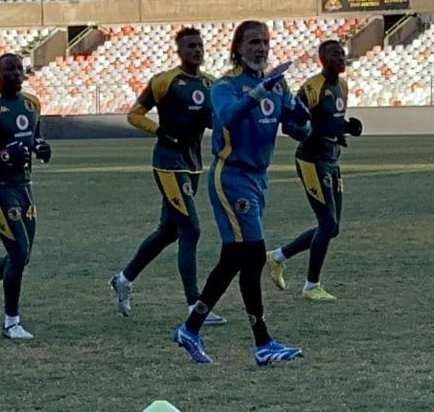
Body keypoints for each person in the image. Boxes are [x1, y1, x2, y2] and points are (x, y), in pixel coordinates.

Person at [173, 20, 308, 366]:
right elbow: (227, 117)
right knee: (252, 255)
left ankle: (190, 328)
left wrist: (303, 118)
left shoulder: (277, 85)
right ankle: (262, 342)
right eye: (252, 42)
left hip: (258, 179)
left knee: (234, 258)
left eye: (264, 42)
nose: (260, 49)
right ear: (237, 48)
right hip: (231, 177)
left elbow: (295, 128)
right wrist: (261, 90)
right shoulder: (225, 86)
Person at [109, 26, 224, 326]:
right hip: (168, 164)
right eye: (190, 46)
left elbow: (215, 122)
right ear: (179, 51)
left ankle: (124, 278)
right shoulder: (164, 81)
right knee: (191, 230)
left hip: (193, 165)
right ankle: (194, 306)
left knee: (169, 232)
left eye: (199, 45)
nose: (196, 51)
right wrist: (160, 131)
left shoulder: (211, 84)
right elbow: (134, 115)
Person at [268, 39, 362, 301]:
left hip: (331, 159)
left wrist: (345, 129)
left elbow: (330, 121)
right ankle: (311, 285)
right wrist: (306, 134)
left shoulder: (342, 86)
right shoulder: (311, 87)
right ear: (322, 59)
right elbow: (292, 124)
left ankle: (277, 257)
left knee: (333, 228)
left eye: (343, 54)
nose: (341, 58)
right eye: (335, 55)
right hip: (311, 160)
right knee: (327, 222)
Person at [0, 53, 51, 341]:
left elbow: (35, 137)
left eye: (19, 68)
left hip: (24, 184)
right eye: (9, 69)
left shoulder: (32, 103)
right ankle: (11, 322)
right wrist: (2, 154)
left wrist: (41, 147)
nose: (15, 73)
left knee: (23, 254)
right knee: (18, 252)